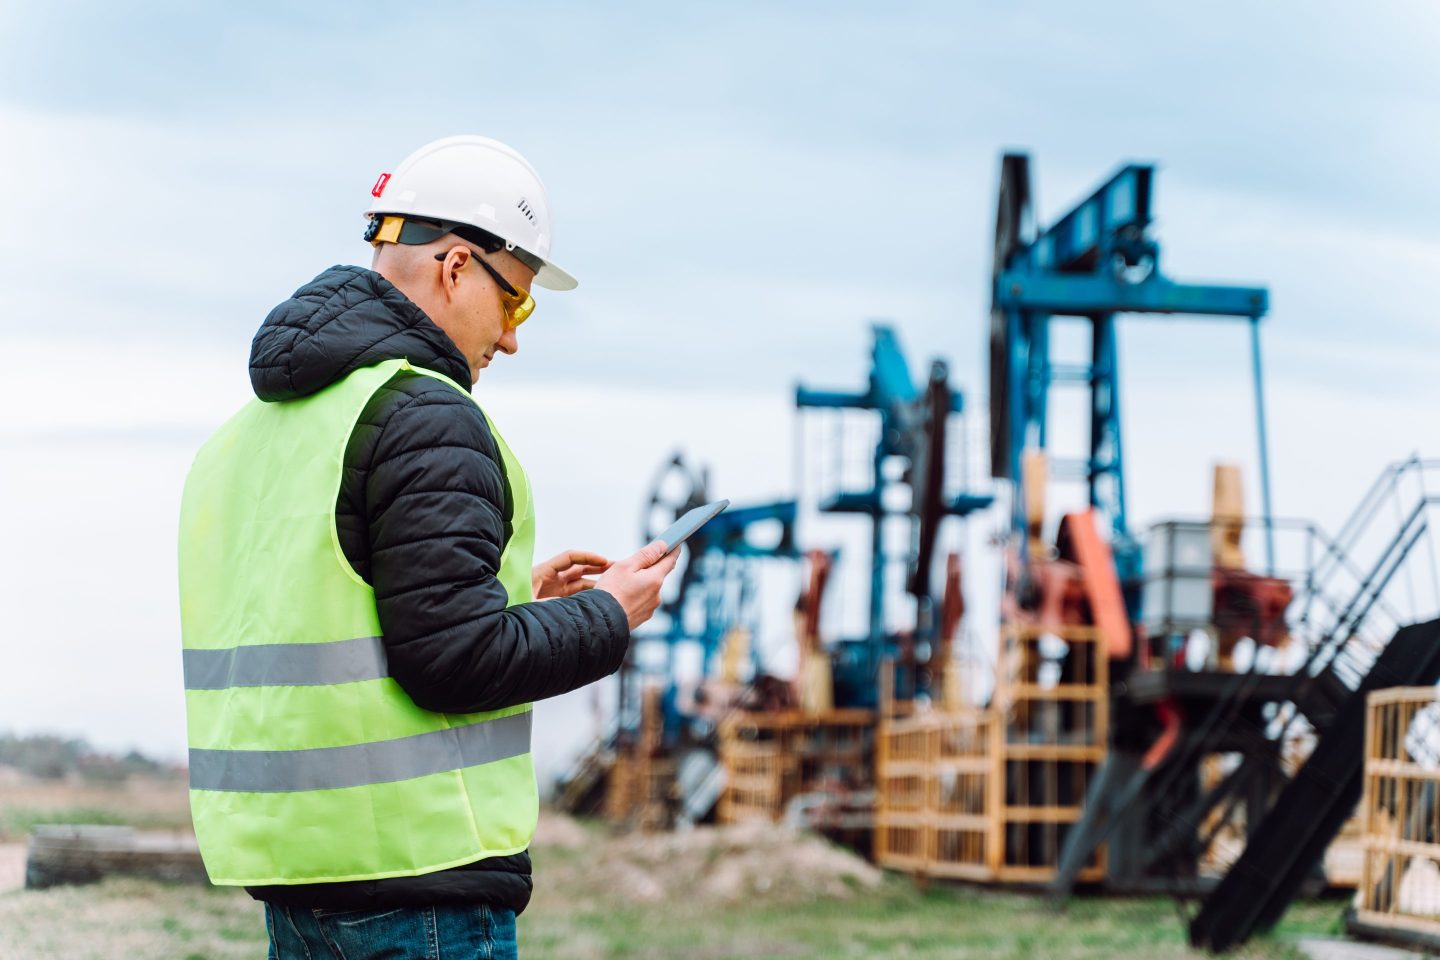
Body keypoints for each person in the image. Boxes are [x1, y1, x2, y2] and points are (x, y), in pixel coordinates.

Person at [177, 135, 677, 960]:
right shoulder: (427, 415)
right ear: (454, 268)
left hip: (301, 885)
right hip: (421, 889)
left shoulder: (247, 438)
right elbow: (454, 660)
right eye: (514, 302)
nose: (511, 337)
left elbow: (349, 612)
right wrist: (606, 614)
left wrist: (512, 601)